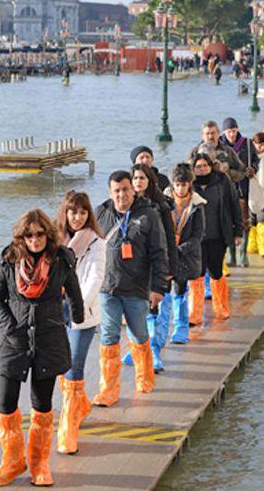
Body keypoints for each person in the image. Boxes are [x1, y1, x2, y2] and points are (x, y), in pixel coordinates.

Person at [0, 209, 84, 487]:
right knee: (6, 405)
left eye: (40, 234)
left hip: (48, 339)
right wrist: (10, 326)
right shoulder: (8, 260)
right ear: (21, 236)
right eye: (29, 235)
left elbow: (74, 292)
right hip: (12, 341)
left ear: (48, 234)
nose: (35, 239)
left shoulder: (62, 259)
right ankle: (12, 461)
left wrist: (77, 318)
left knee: (42, 405)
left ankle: (39, 464)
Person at [93, 171, 169, 407]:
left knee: (138, 334)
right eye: (116, 191)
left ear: (133, 190)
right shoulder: (101, 214)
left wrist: (157, 288)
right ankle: (108, 390)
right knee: (108, 337)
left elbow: (159, 253)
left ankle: (144, 377)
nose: (121, 195)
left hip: (137, 288)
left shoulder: (148, 215)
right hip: (108, 288)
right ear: (110, 192)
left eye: (125, 189)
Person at [54, 191, 105, 455]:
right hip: (54, 313)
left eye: (83, 212)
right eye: (73, 211)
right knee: (60, 366)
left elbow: (95, 278)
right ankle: (81, 406)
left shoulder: (96, 243)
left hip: (82, 314)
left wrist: (78, 308)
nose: (77, 217)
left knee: (74, 367)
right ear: (65, 212)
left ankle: (68, 428)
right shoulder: (53, 241)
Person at [123, 164, 178, 372]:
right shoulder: (124, 204)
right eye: (135, 178)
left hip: (154, 261)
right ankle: (137, 347)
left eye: (142, 178)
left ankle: (154, 350)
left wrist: (170, 266)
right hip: (131, 265)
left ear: (150, 181)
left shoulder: (161, 206)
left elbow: (170, 239)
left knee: (154, 308)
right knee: (133, 307)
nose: (138, 182)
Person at [189, 153, 243, 324]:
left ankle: (221, 308)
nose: (202, 169)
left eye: (205, 165)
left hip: (217, 235)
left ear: (211, 166)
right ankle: (194, 314)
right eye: (198, 166)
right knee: (197, 274)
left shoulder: (222, 180)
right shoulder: (189, 184)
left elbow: (234, 204)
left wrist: (238, 230)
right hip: (196, 238)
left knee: (216, 271)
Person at [164, 163, 207, 344]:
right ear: (173, 184)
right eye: (178, 184)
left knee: (180, 290)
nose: (181, 188)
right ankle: (159, 331)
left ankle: (180, 328)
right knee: (163, 291)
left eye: (184, 184)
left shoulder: (197, 205)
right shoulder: (164, 203)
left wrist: (180, 250)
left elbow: (198, 235)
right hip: (165, 254)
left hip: (184, 255)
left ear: (190, 184)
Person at [220, 117, 258, 267]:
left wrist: (253, 168)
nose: (232, 134)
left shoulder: (247, 144)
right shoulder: (219, 146)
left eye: (234, 131)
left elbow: (255, 160)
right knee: (227, 222)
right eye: (229, 131)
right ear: (224, 132)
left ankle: (243, 254)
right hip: (224, 189)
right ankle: (231, 255)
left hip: (243, 188)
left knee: (243, 221)